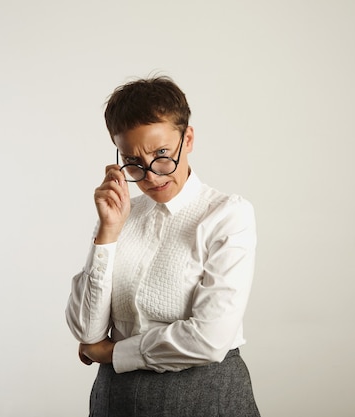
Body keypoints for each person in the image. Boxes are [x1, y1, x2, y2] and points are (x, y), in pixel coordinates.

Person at [65, 75, 260, 417]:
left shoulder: (227, 215)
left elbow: (209, 339)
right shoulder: (120, 215)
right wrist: (108, 232)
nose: (151, 177)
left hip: (204, 399)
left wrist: (111, 354)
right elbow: (86, 331)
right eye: (133, 162)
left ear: (188, 139)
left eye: (161, 154)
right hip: (115, 401)